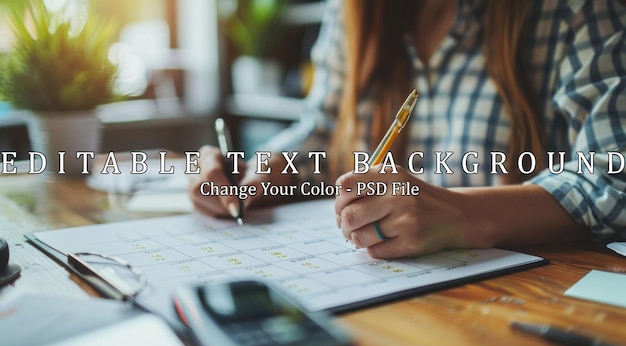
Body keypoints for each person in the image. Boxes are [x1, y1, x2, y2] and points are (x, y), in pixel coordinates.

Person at [189, 0, 626, 259]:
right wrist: (265, 169)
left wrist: (464, 214)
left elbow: (613, 177)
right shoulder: (354, 12)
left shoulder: (572, 10)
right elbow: (323, 130)